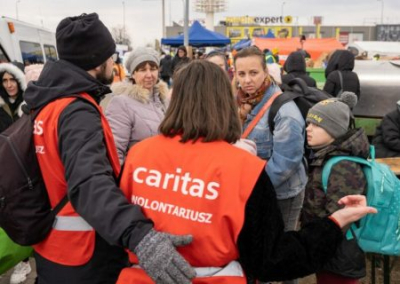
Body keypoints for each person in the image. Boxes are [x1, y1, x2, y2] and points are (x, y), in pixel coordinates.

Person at [116, 60, 376, 283]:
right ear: (223, 101)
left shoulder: (139, 155)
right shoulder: (244, 168)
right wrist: (335, 223)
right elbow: (272, 257)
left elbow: (118, 225)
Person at [23, 13, 195, 284]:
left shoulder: (49, 102)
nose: (113, 62)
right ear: (97, 60)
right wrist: (139, 235)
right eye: (110, 56)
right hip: (83, 253)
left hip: (53, 246)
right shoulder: (76, 110)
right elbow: (89, 183)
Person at [235, 46, 306, 284]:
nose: (247, 80)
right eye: (241, 74)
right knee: (263, 251)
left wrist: (253, 194)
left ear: (266, 72)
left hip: (282, 194)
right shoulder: (243, 102)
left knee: (282, 253)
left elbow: (284, 164)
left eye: (253, 73)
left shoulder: (285, 111)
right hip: (255, 192)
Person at [301, 92, 368, 284]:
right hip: (328, 253)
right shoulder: (328, 158)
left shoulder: (343, 166)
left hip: (338, 256)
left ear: (334, 129)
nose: (308, 129)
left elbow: (341, 218)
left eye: (316, 124)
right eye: (308, 123)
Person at [106, 47, 169, 163]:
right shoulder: (121, 103)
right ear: (133, 74)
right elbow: (115, 151)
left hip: (163, 175)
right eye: (142, 70)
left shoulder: (165, 101)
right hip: (138, 176)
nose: (149, 75)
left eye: (153, 69)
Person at [0, 62, 26, 133]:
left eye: (12, 80)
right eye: (5, 81)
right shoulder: (1, 105)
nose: (9, 85)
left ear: (20, 81)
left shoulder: (29, 104)